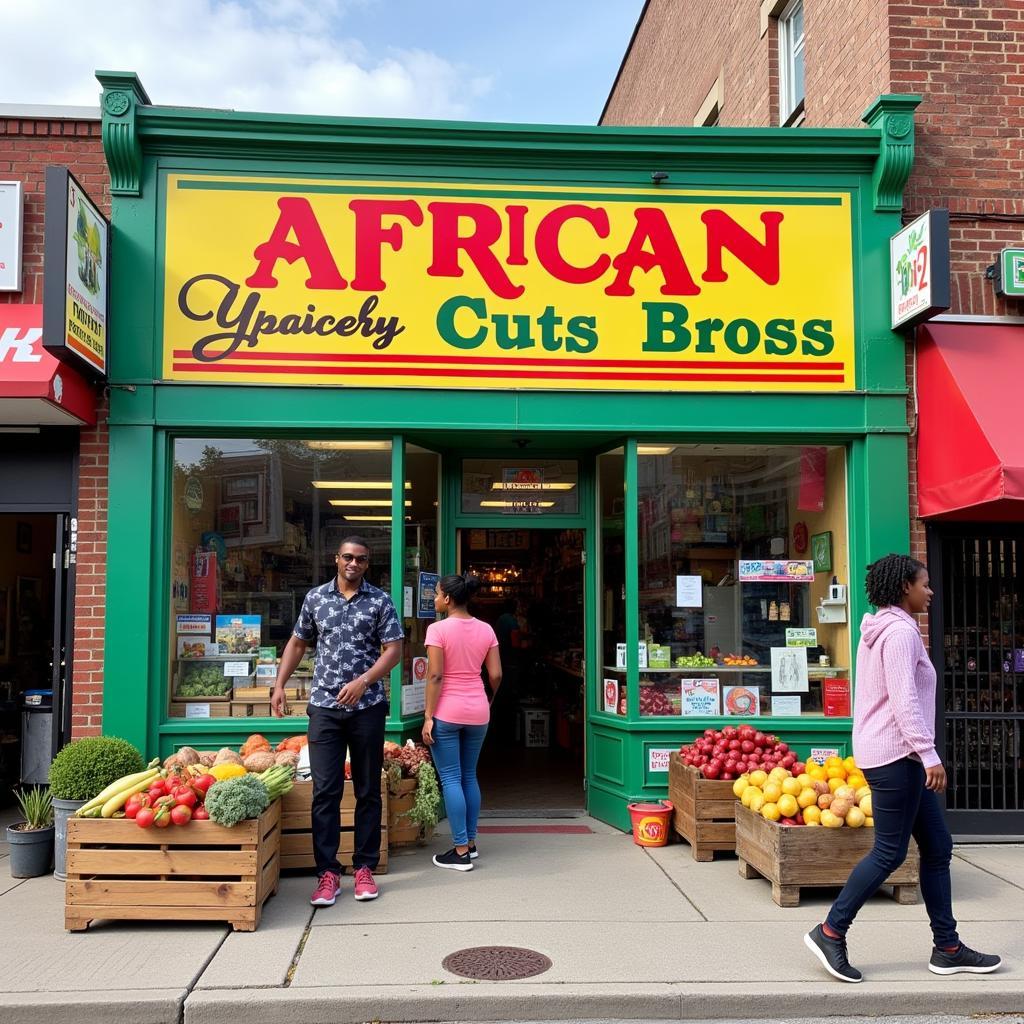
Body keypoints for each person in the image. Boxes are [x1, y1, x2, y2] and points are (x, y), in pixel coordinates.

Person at [805, 553, 1001, 983]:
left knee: (937, 846)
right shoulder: (898, 634)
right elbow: (903, 699)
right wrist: (929, 753)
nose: (930, 591)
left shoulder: (887, 628)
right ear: (903, 588)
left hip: (897, 755)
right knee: (890, 852)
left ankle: (947, 948)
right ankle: (830, 931)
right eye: (924, 584)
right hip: (898, 757)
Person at [273, 536, 403, 907]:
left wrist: (364, 682)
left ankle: (364, 868)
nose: (354, 564)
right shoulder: (316, 599)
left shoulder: (379, 600)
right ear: (336, 559)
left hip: (368, 708)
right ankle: (327, 873)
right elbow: (298, 643)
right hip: (325, 707)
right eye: (348, 557)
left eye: (361, 559)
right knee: (325, 791)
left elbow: (394, 649)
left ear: (367, 563)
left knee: (367, 790)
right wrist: (279, 685)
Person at [421, 573, 502, 871]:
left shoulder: (437, 630)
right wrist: (488, 698)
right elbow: (495, 675)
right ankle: (470, 843)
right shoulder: (486, 630)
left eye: (438, 594)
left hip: (448, 711)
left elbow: (435, 676)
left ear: (448, 599)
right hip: (478, 709)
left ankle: (459, 851)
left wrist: (428, 716)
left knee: (451, 779)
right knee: (469, 776)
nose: (435, 598)